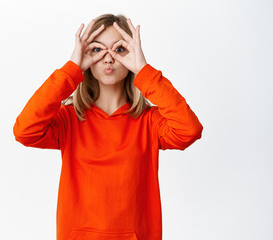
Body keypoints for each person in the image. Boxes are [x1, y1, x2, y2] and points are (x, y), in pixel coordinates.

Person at [13, 13, 203, 240]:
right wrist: (72, 68)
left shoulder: (149, 122)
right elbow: (25, 131)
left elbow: (189, 130)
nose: (108, 58)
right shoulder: (70, 119)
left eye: (119, 49)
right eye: (97, 50)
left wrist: (144, 70)